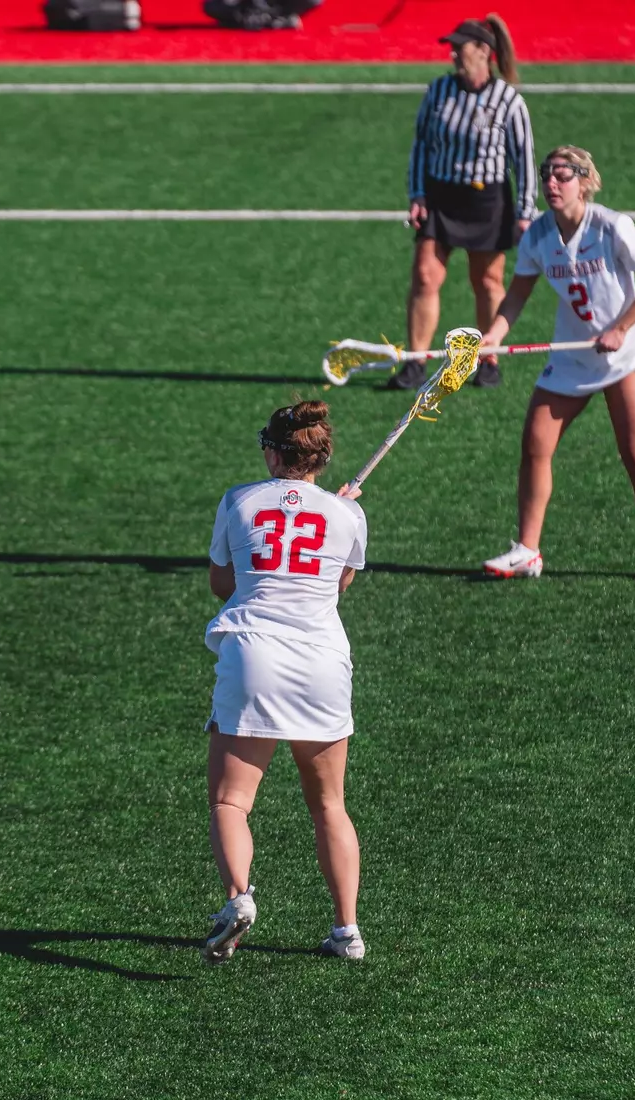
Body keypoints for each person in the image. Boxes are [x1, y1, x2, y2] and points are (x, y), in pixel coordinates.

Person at [201, 401, 370, 962]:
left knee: (231, 802)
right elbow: (336, 586)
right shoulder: (348, 517)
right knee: (329, 805)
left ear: (274, 452)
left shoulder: (238, 500)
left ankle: (238, 900)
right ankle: (347, 930)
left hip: (254, 655)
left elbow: (222, 582)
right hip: (323, 663)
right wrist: (337, 513)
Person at [478, 145, 635, 586]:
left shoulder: (612, 226)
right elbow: (517, 294)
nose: (551, 183)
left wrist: (622, 327)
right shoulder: (538, 235)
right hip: (573, 355)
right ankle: (528, 550)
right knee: (535, 444)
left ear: (584, 182)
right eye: (546, 174)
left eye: (562, 175)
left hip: (625, 355)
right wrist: (494, 335)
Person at [393, 14, 535, 391]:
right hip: (441, 196)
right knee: (425, 275)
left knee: (486, 280)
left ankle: (487, 358)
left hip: (487, 200)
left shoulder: (508, 100)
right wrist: (418, 194)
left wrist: (525, 212)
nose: (454, 53)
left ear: (483, 51)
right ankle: (415, 361)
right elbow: (421, 145)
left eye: (461, 46)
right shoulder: (438, 91)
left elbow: (523, 159)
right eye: (452, 46)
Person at [201, 0, 319, 31]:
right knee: (213, 7)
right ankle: (276, 20)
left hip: (276, 4)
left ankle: (272, 18)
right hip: (244, 5)